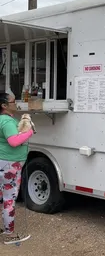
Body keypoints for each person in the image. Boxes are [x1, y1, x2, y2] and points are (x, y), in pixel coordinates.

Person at [0, 92, 34, 245]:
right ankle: (8, 235)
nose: (16, 103)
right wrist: (29, 132)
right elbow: (14, 141)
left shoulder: (4, 120)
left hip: (4, 163)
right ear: (4, 105)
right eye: (13, 102)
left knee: (3, 197)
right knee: (9, 199)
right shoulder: (7, 121)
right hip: (9, 165)